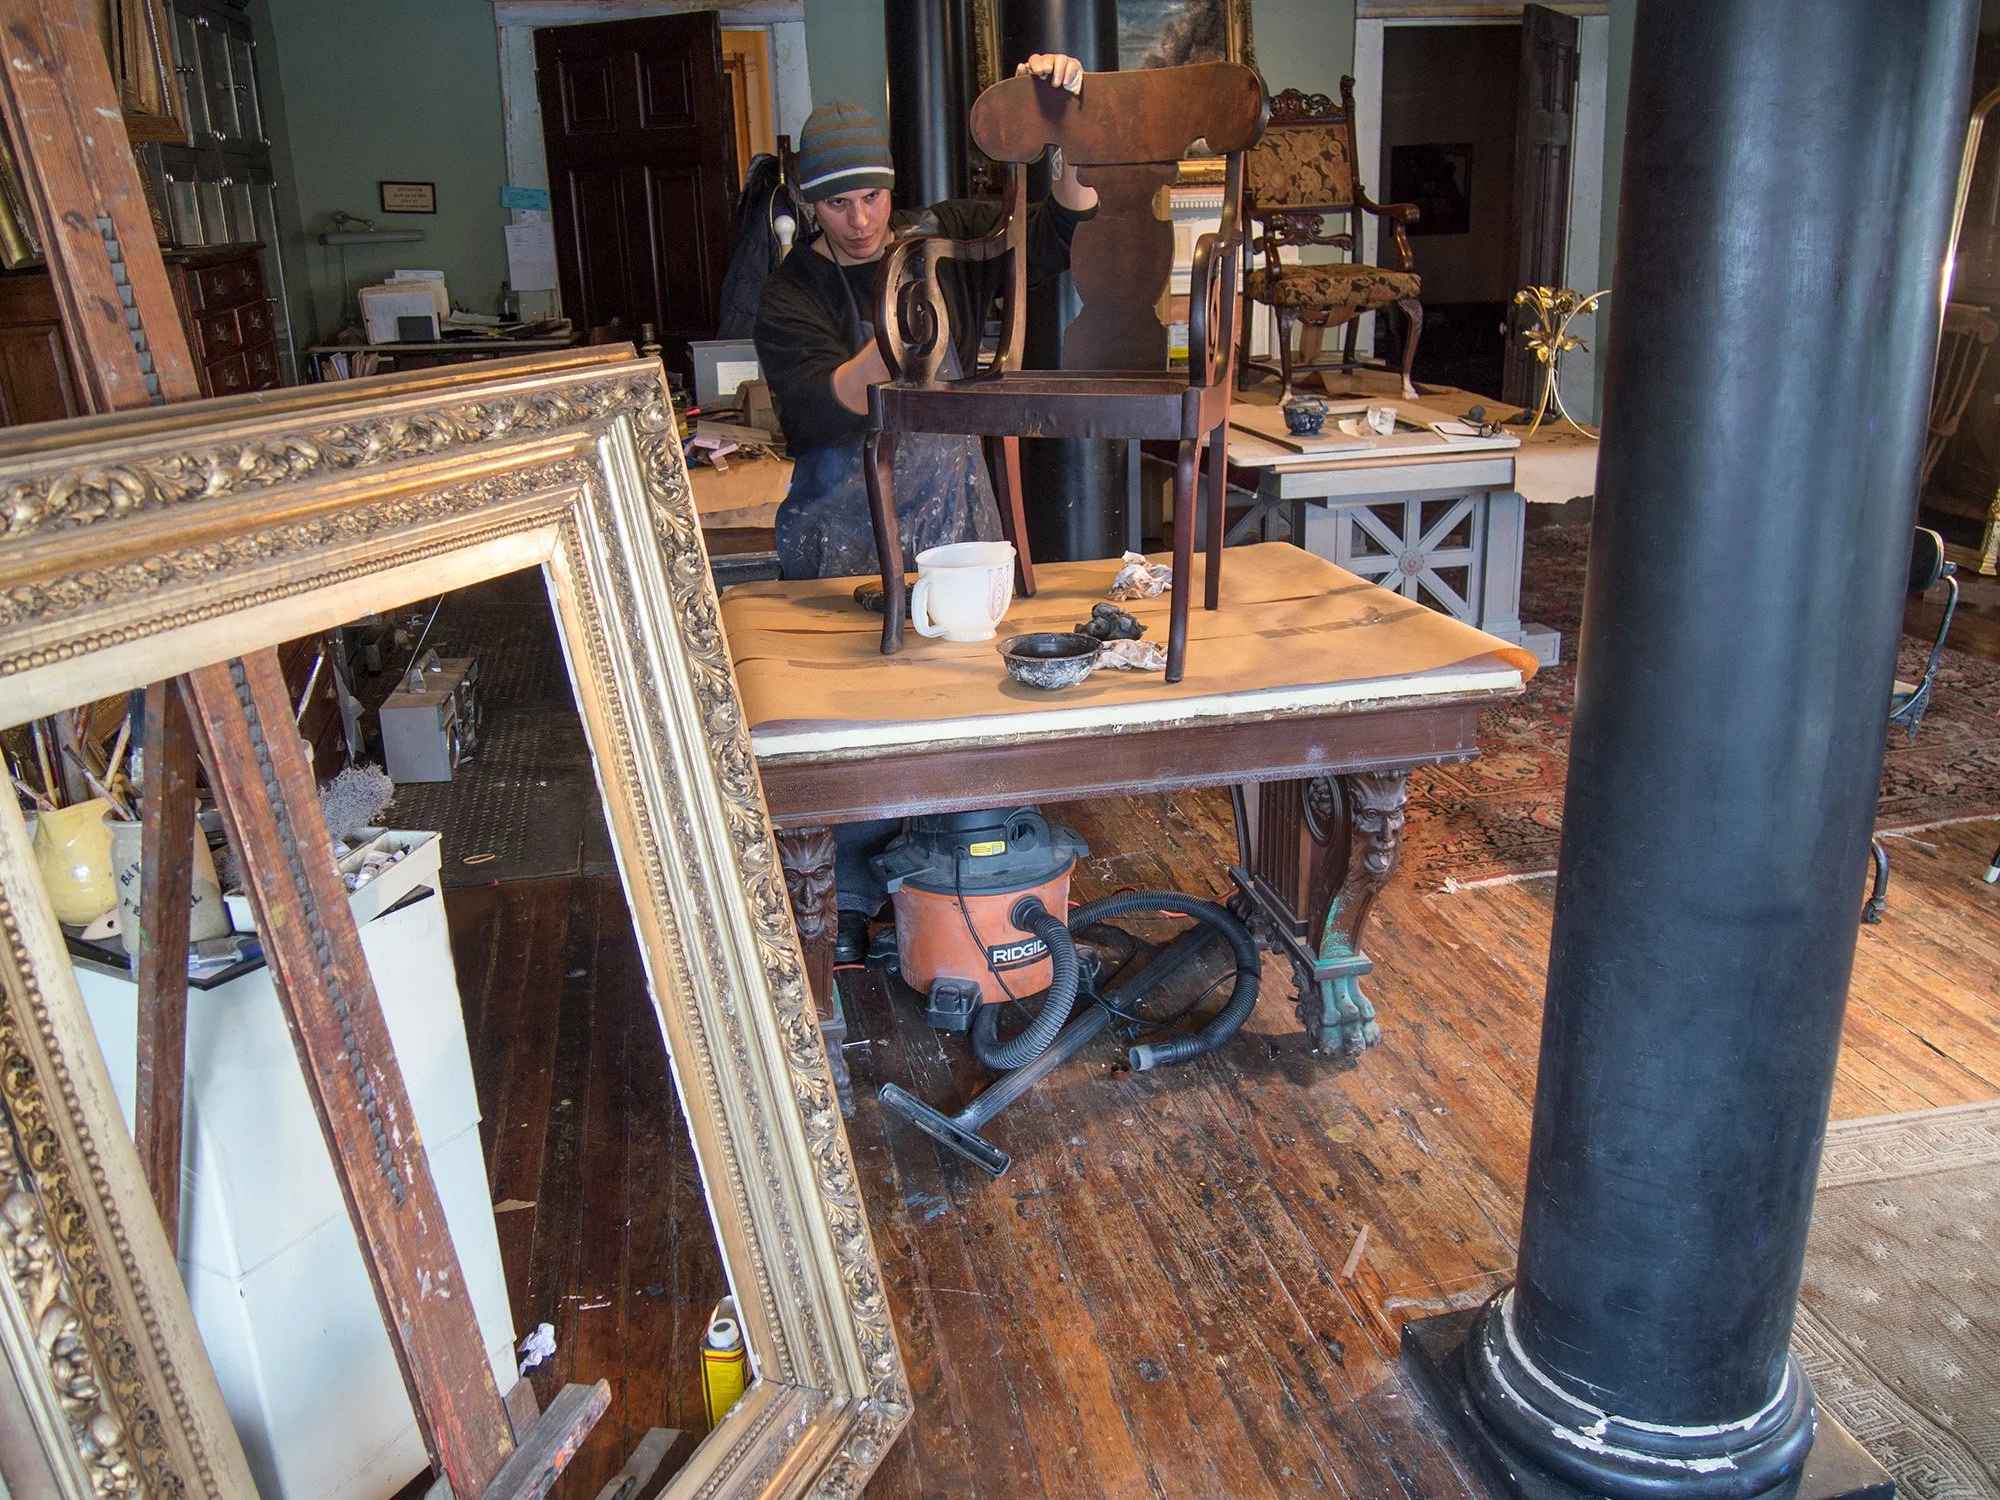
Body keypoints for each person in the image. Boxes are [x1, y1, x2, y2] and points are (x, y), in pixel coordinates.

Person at [753, 54, 1099, 963]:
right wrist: (904, 331)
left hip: (956, 517)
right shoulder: (791, 293)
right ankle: (854, 905)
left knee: (957, 713)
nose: (861, 219)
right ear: (808, 206)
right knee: (853, 732)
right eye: (837, 204)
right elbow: (821, 407)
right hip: (842, 533)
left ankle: (964, 885)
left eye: (871, 195)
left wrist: (1057, 122)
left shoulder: (946, 236)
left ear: (891, 186)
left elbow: (1061, 225)